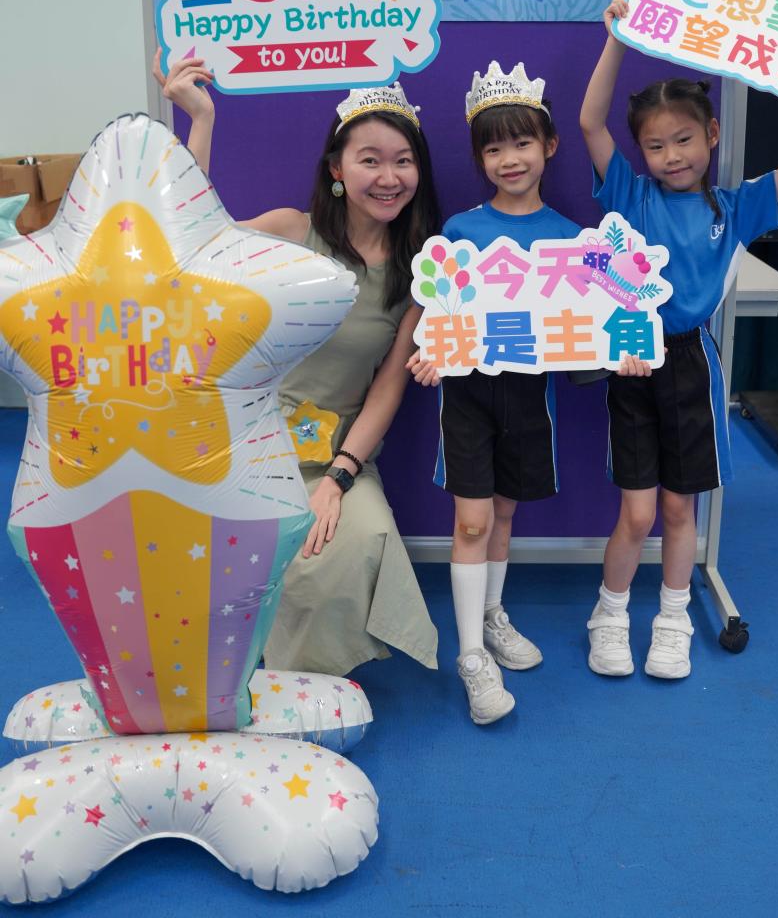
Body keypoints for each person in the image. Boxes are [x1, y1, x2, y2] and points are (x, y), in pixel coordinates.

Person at [578, 0, 778, 680]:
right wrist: (616, 38)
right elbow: (588, 121)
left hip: (692, 367)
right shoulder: (629, 196)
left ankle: (672, 620)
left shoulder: (733, 207)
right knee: (636, 513)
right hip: (631, 360)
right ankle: (609, 614)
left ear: (711, 134)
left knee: (680, 508)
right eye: (655, 145)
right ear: (640, 152)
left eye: (683, 140)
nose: (671, 156)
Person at [155, 51, 441, 676]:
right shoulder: (292, 232)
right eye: (370, 160)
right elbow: (192, 246)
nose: (389, 176)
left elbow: (388, 389)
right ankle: (232, 666)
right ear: (337, 168)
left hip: (336, 453)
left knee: (356, 537)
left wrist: (340, 478)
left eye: (403, 160)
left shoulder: (419, 271)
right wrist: (201, 121)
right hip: (245, 444)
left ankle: (299, 684)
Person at [410, 61, 648, 725]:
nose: (508, 159)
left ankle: (492, 615)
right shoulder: (460, 231)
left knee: (504, 516)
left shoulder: (573, 241)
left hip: (529, 399)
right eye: (493, 148)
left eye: (521, 143)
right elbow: (438, 314)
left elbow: (600, 323)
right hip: (466, 398)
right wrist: (429, 350)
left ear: (549, 145)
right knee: (471, 521)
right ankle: (470, 658)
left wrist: (623, 348)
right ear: (479, 158)